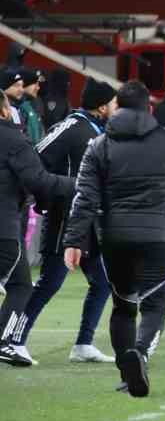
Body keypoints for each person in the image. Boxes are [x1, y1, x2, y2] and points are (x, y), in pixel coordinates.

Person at [62, 81, 165, 397]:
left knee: (123, 306)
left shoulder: (100, 145)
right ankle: (141, 353)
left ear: (117, 107)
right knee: (155, 305)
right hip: (159, 237)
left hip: (115, 237)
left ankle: (126, 370)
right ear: (149, 107)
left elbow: (84, 197)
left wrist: (74, 240)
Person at [14, 79, 118, 363]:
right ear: (102, 106)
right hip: (65, 217)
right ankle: (14, 339)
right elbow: (36, 156)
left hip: (87, 220)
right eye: (113, 103)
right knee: (50, 281)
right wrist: (49, 194)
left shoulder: (96, 130)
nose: (116, 107)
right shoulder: (73, 127)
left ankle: (83, 344)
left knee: (103, 281)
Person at [0, 88, 74, 368]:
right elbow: (39, 180)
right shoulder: (13, 139)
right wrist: (76, 184)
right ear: (5, 110)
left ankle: (5, 342)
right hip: (3, 231)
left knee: (21, 284)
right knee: (20, 286)